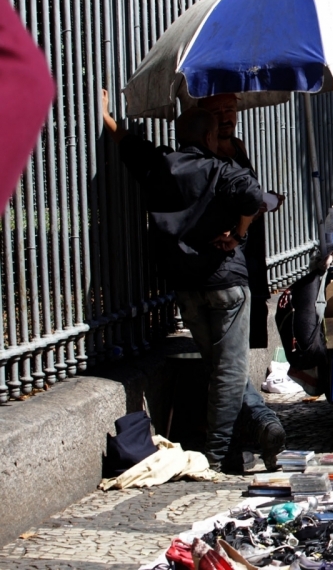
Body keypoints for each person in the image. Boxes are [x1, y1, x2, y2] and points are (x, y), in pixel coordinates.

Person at [100, 92, 286, 473]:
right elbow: (253, 196)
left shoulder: (161, 166)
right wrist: (238, 233)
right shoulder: (220, 169)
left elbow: (132, 146)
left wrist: (106, 116)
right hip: (226, 281)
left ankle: (263, 425)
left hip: (186, 286)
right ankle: (217, 455)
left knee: (221, 366)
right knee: (229, 371)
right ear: (209, 137)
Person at [199, 94, 286, 357]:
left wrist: (264, 200)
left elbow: (246, 190)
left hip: (251, 244)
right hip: (227, 247)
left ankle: (248, 374)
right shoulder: (205, 153)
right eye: (216, 112)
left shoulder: (238, 146)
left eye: (230, 109)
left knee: (255, 312)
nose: (225, 117)